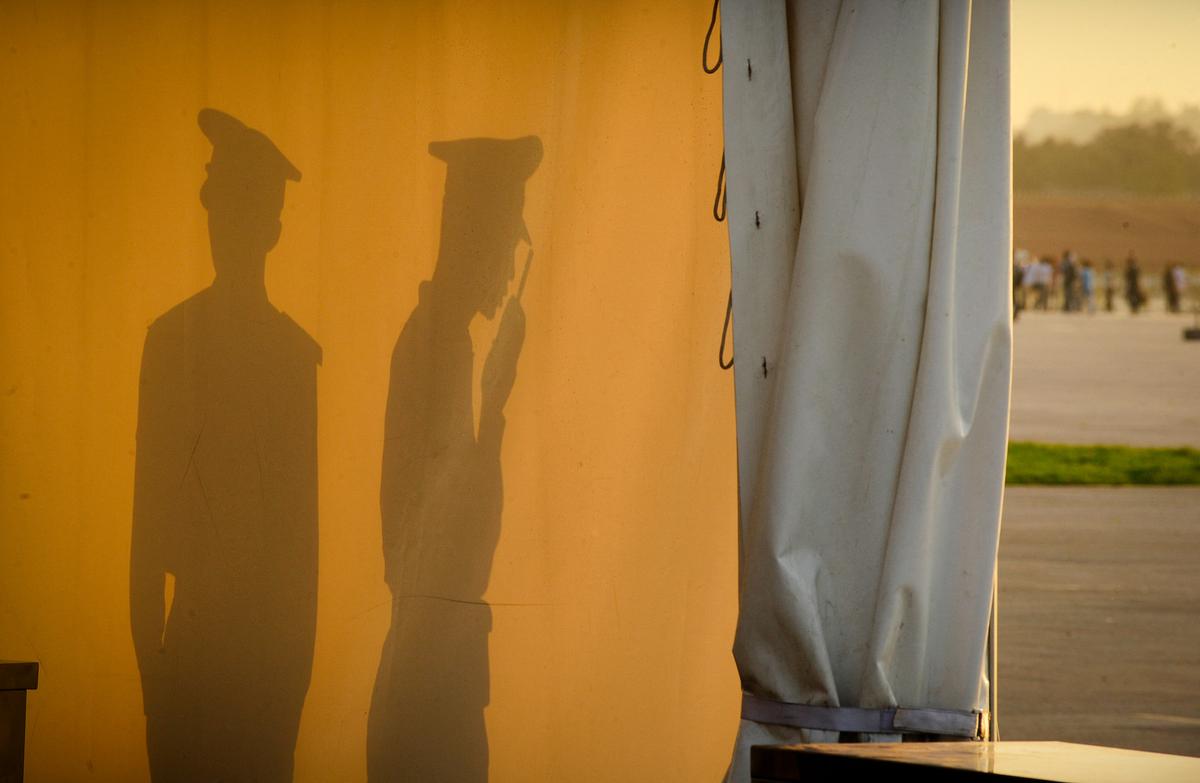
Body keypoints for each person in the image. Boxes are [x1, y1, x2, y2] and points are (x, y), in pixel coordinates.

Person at [130, 110, 319, 782]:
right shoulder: (171, 340)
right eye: (218, 212)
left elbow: (302, 546)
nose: (223, 231)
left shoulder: (293, 357)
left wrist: (291, 687)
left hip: (259, 669)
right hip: (194, 657)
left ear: (270, 229)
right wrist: (153, 666)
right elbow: (147, 523)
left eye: (239, 214)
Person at [368, 136, 542, 782]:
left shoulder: (442, 343)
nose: (505, 272)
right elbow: (462, 547)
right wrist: (496, 403)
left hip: (431, 674)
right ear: (473, 236)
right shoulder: (443, 351)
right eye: (501, 247)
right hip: (432, 684)